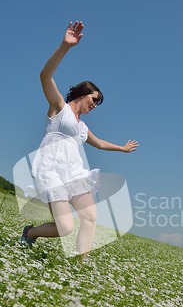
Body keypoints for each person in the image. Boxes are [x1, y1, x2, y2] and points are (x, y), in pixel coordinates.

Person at [20, 20, 139, 256]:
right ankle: (30, 233)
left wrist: (121, 148)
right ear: (83, 93)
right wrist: (65, 46)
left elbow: (99, 142)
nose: (95, 106)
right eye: (94, 100)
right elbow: (45, 76)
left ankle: (80, 268)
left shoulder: (82, 127)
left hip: (73, 173)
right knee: (65, 228)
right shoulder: (59, 108)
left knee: (90, 217)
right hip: (52, 172)